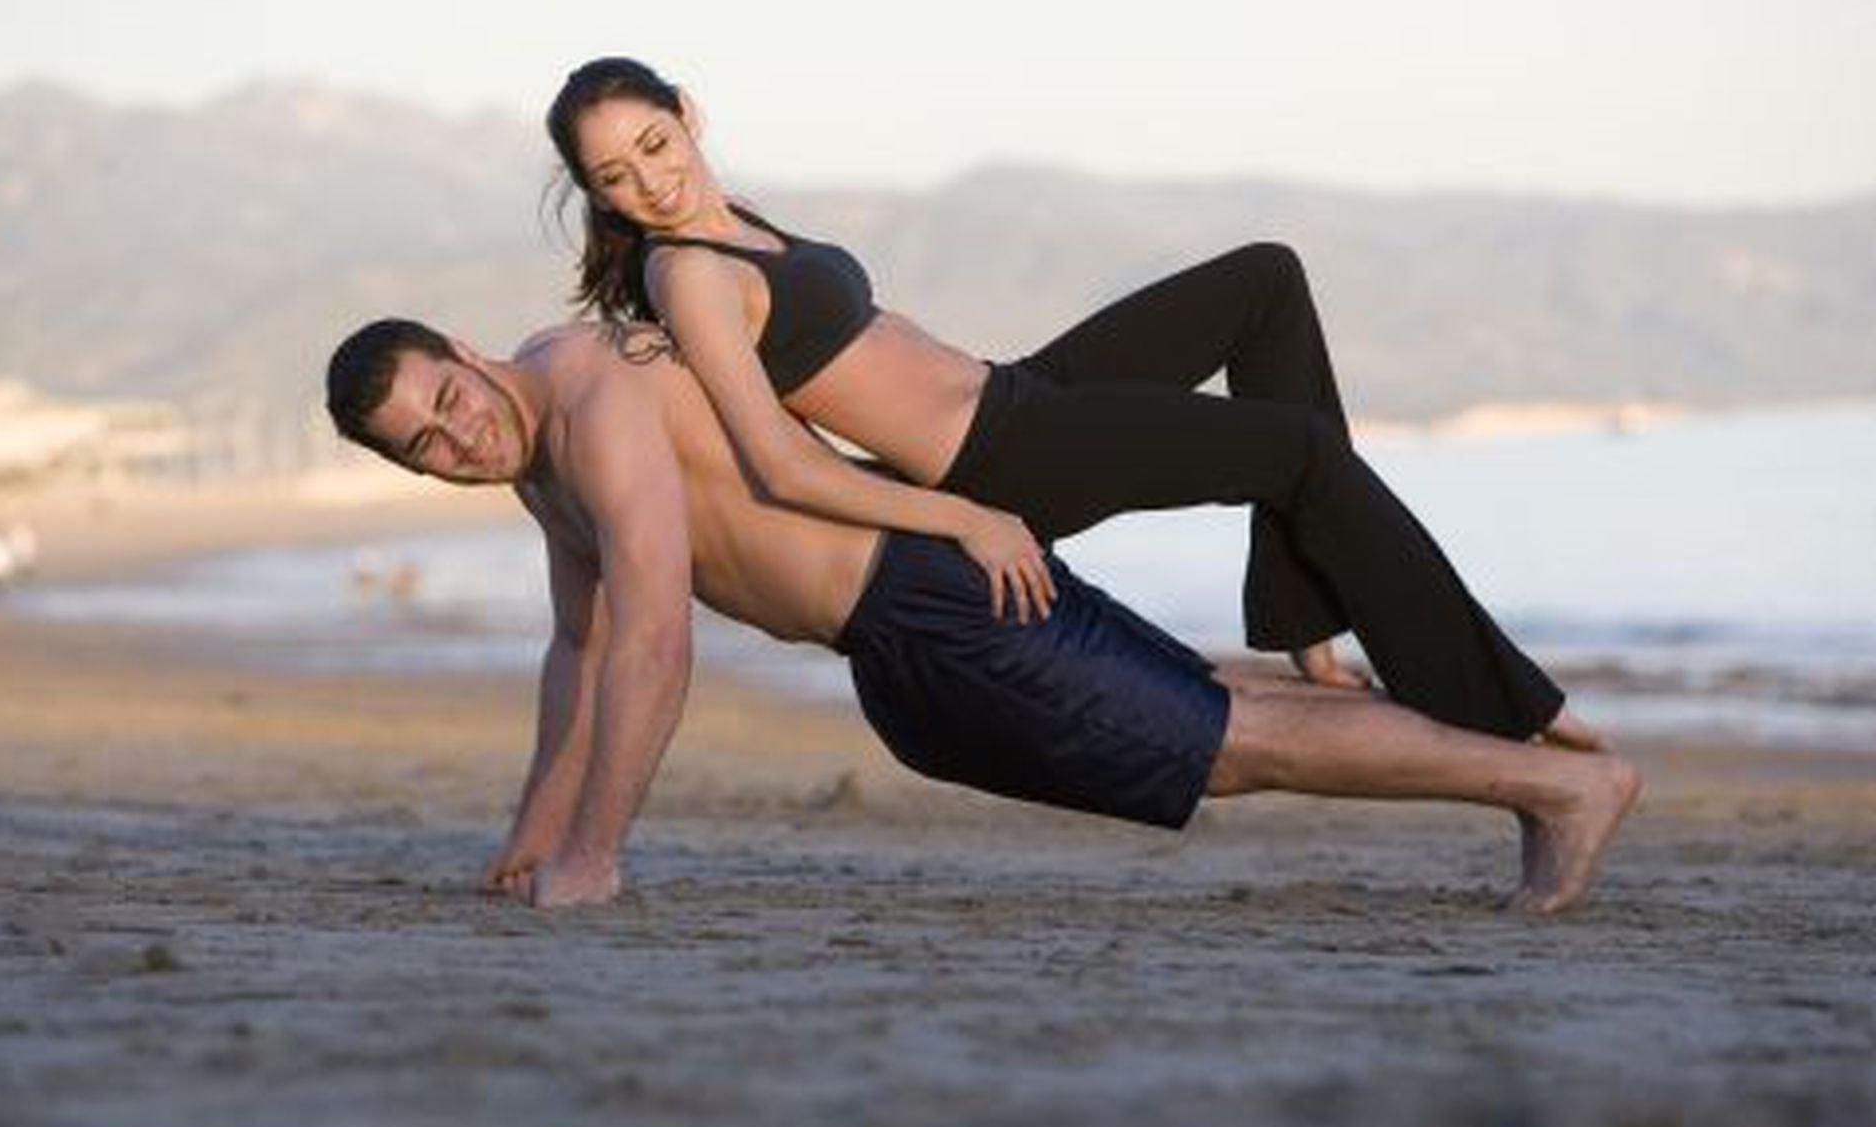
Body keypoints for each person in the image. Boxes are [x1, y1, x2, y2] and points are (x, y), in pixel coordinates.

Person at [323, 316, 1640, 915]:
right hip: (911, 623)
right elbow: (584, 643)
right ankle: (1537, 764)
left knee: (1222, 741)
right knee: (1205, 709)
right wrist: (533, 833)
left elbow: (657, 640)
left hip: (927, 600)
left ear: (467, 351)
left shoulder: (592, 401)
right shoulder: (538, 456)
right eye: (425, 446)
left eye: (450, 399)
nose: (457, 437)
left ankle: (1546, 783)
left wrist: (594, 856)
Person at [544, 57, 1597, 754]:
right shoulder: (684, 272)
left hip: (1019, 391)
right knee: (1301, 457)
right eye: (615, 177)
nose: (650, 179)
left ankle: (1306, 626)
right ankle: (1504, 709)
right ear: (597, 198)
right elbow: (776, 463)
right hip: (1001, 459)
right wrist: (968, 516)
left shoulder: (733, 225)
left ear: (687, 113)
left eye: (653, 143)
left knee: (1263, 281)